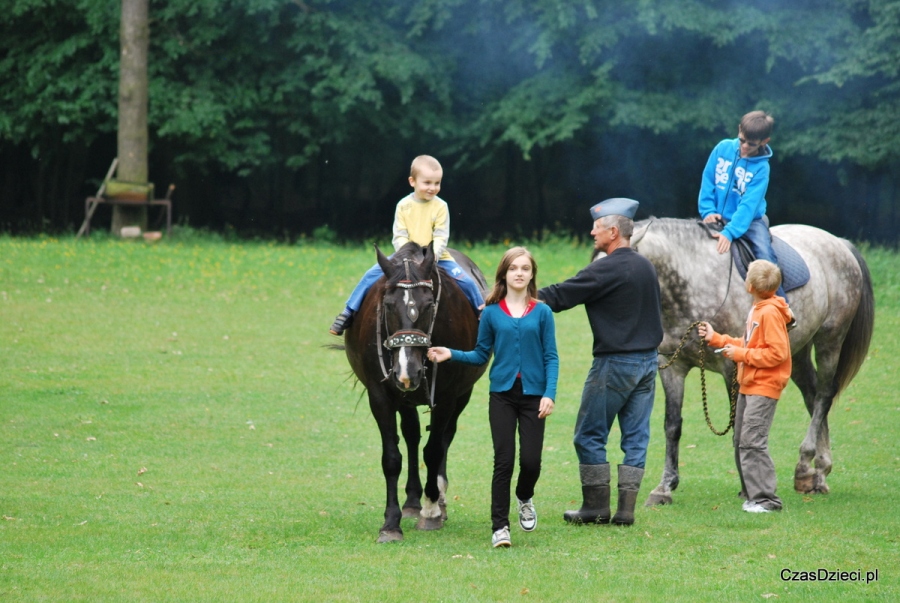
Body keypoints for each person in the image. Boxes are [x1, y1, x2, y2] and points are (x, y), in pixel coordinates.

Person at [538, 198, 663, 527]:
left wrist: (515, 294)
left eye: (596, 227)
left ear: (612, 231)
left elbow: (560, 295)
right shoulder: (645, 266)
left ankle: (595, 508)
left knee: (588, 435)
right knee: (635, 438)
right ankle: (625, 511)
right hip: (649, 364)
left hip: (615, 365)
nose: (591, 232)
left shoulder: (605, 267)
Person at [427, 247, 558, 548]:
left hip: (534, 396)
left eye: (525, 268)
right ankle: (500, 527)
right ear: (504, 274)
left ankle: (525, 496)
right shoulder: (491, 313)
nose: (520, 273)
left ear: (531, 274)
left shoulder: (542, 312)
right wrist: (450, 353)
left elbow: (551, 357)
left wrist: (549, 394)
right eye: (514, 268)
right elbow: (480, 355)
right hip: (502, 395)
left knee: (531, 462)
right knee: (504, 461)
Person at [329, 155, 485, 335]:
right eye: (427, 182)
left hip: (437, 258)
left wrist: (430, 257)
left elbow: (441, 235)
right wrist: (408, 257)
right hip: (404, 258)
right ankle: (348, 313)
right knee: (369, 275)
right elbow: (399, 235)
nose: (432, 188)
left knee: (465, 280)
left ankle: (482, 314)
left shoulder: (441, 206)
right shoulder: (403, 205)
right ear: (412, 181)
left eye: (437, 183)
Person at [698, 259, 792, 513]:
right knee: (742, 439)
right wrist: (716, 338)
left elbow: (777, 354)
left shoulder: (769, 313)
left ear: (749, 285)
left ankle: (767, 500)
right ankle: (754, 495)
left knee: (753, 442)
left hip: (764, 386)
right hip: (749, 385)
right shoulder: (758, 308)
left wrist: (740, 355)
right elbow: (750, 343)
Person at [698, 110, 794, 317]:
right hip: (714, 215)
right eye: (742, 140)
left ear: (764, 141)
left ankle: (781, 308)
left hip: (749, 222)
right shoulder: (722, 148)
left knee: (765, 255)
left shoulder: (762, 168)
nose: (744, 147)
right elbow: (708, 180)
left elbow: (748, 206)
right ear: (739, 130)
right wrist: (707, 211)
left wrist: (730, 232)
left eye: (751, 144)